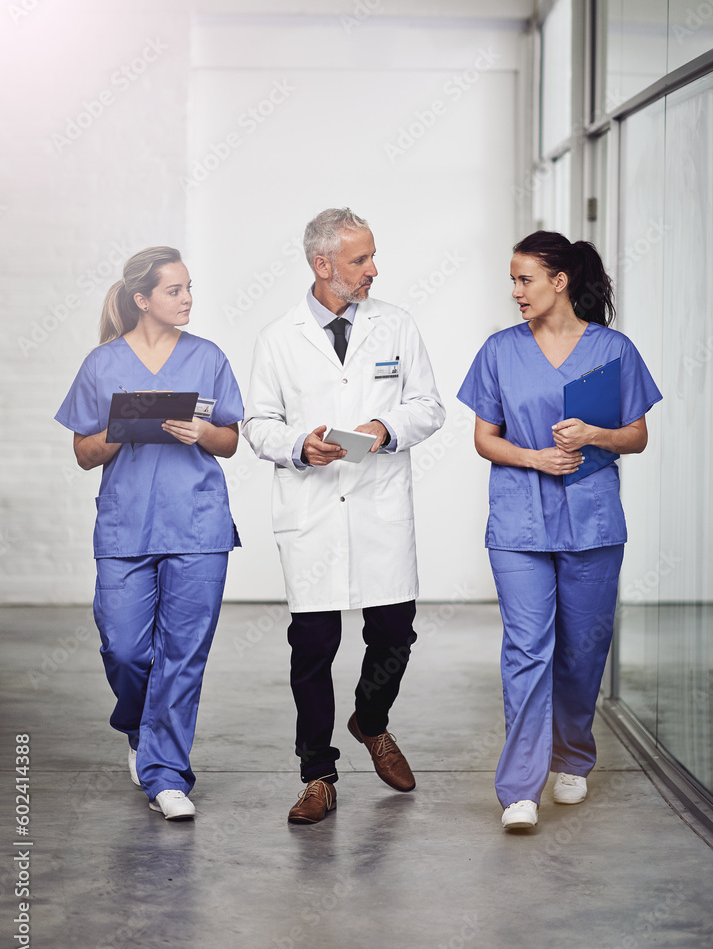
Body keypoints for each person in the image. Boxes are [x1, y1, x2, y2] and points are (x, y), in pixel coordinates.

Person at [242, 208, 445, 823]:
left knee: (393, 632)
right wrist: (300, 446)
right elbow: (258, 425)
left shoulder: (397, 326)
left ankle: (371, 719)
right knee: (313, 648)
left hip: (379, 506)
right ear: (322, 265)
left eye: (372, 256)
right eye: (360, 260)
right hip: (312, 512)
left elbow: (429, 407)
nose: (373, 270)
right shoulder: (279, 338)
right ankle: (317, 776)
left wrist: (386, 427)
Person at [457, 230, 662, 832]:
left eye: (525, 279)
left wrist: (594, 436)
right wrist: (535, 458)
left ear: (559, 281)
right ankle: (519, 787)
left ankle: (572, 757)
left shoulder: (613, 350)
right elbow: (483, 438)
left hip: (593, 519)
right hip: (519, 519)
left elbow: (637, 435)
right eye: (514, 281)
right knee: (526, 649)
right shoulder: (499, 351)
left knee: (581, 649)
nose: (516, 291)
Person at [55, 247, 243, 821]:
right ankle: (139, 727)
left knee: (183, 655)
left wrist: (202, 432)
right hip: (126, 525)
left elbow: (231, 440)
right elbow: (85, 453)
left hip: (198, 522)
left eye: (190, 289)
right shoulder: (102, 364)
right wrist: (121, 430)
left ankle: (166, 775)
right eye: (174, 291)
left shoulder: (208, 356)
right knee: (125, 647)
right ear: (142, 300)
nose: (187, 299)